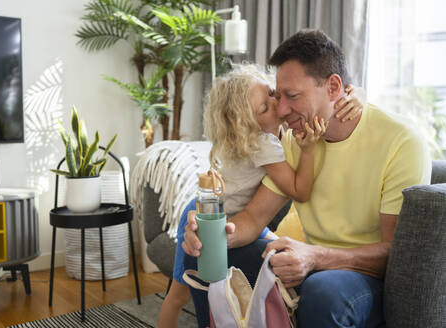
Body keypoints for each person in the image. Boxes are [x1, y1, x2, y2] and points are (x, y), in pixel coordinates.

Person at [182, 29, 431, 328]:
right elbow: (252, 218)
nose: (282, 110)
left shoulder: (401, 143)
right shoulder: (294, 142)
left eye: (293, 96)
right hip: (309, 265)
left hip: (365, 278)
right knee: (203, 255)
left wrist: (316, 257)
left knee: (323, 291)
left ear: (334, 87)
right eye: (277, 95)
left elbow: (395, 252)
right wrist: (211, 238)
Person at [158, 64, 364, 328]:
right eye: (265, 108)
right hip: (210, 217)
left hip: (231, 214)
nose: (277, 104)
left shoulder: (275, 130)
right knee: (178, 295)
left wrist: (358, 93)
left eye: (272, 93)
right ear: (247, 125)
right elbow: (299, 190)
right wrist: (309, 149)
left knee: (273, 247)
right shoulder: (261, 143)